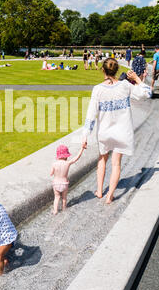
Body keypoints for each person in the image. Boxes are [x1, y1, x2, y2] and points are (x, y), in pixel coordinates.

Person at [82, 59, 152, 205]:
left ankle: (100, 191)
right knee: (116, 164)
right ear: (116, 70)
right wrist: (137, 79)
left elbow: (91, 114)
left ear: (103, 70)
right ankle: (110, 196)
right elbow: (147, 93)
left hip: (105, 132)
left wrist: (85, 135)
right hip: (122, 131)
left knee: (102, 160)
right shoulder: (125, 86)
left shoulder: (98, 89)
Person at [50, 145, 85, 215]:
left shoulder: (54, 164)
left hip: (56, 184)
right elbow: (76, 158)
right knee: (64, 198)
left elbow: (51, 173)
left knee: (56, 197)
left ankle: (55, 211)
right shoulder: (67, 163)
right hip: (64, 184)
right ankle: (64, 208)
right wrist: (82, 149)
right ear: (66, 155)